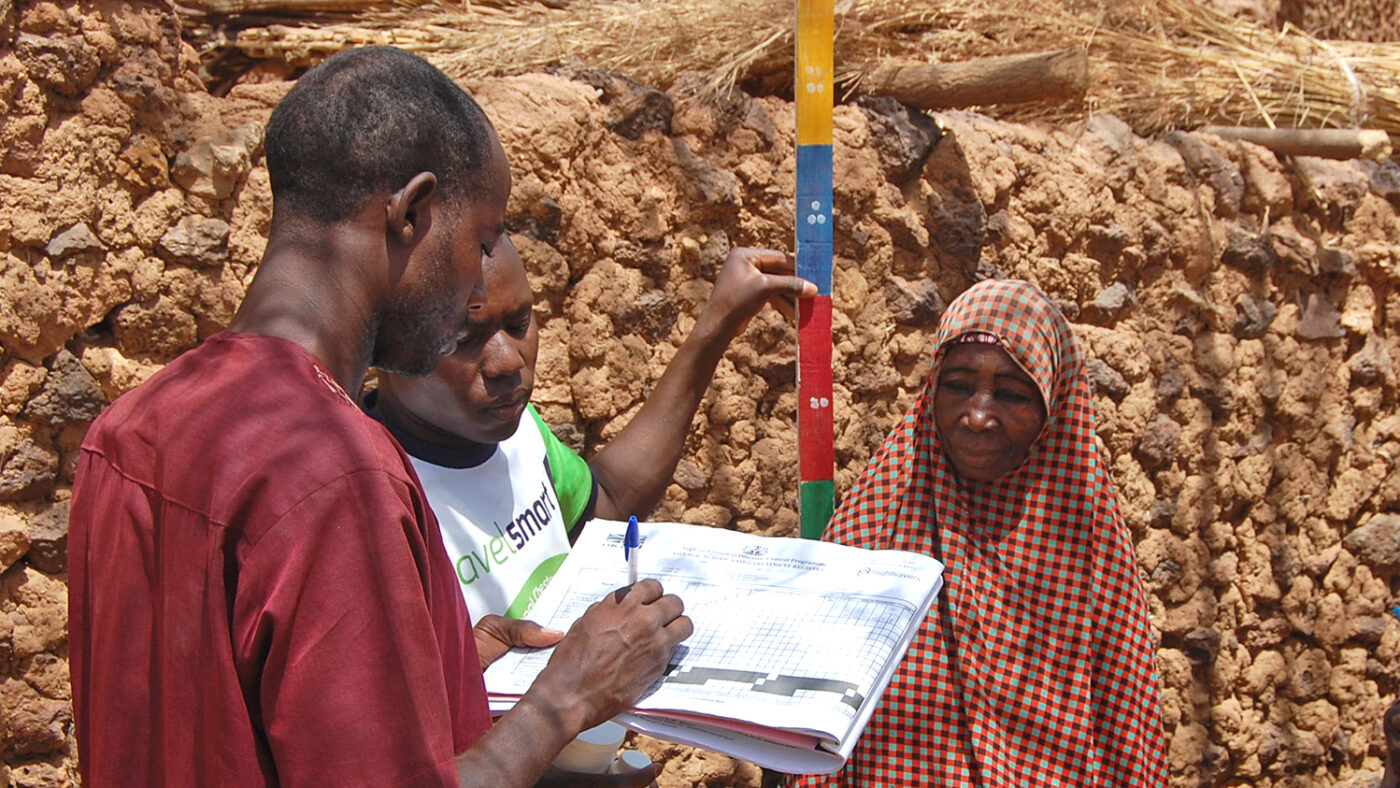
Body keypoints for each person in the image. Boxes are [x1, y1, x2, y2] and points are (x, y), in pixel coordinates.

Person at [68, 46, 690, 788]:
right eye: (482, 239)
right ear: (412, 214)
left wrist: (449, 668)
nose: (475, 287)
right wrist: (570, 697)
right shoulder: (335, 471)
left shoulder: (132, 427)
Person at [791, 279, 1167, 786]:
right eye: (959, 385)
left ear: (1052, 405)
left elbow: (1129, 727)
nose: (978, 415)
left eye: (1010, 393)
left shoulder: (1087, 546)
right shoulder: (874, 520)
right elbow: (809, 712)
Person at [364, 234, 814, 619]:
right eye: (462, 340)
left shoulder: (517, 435)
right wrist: (575, 687)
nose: (507, 362)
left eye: (520, 323)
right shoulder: (374, 503)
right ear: (388, 347)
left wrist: (715, 328)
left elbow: (607, 502)